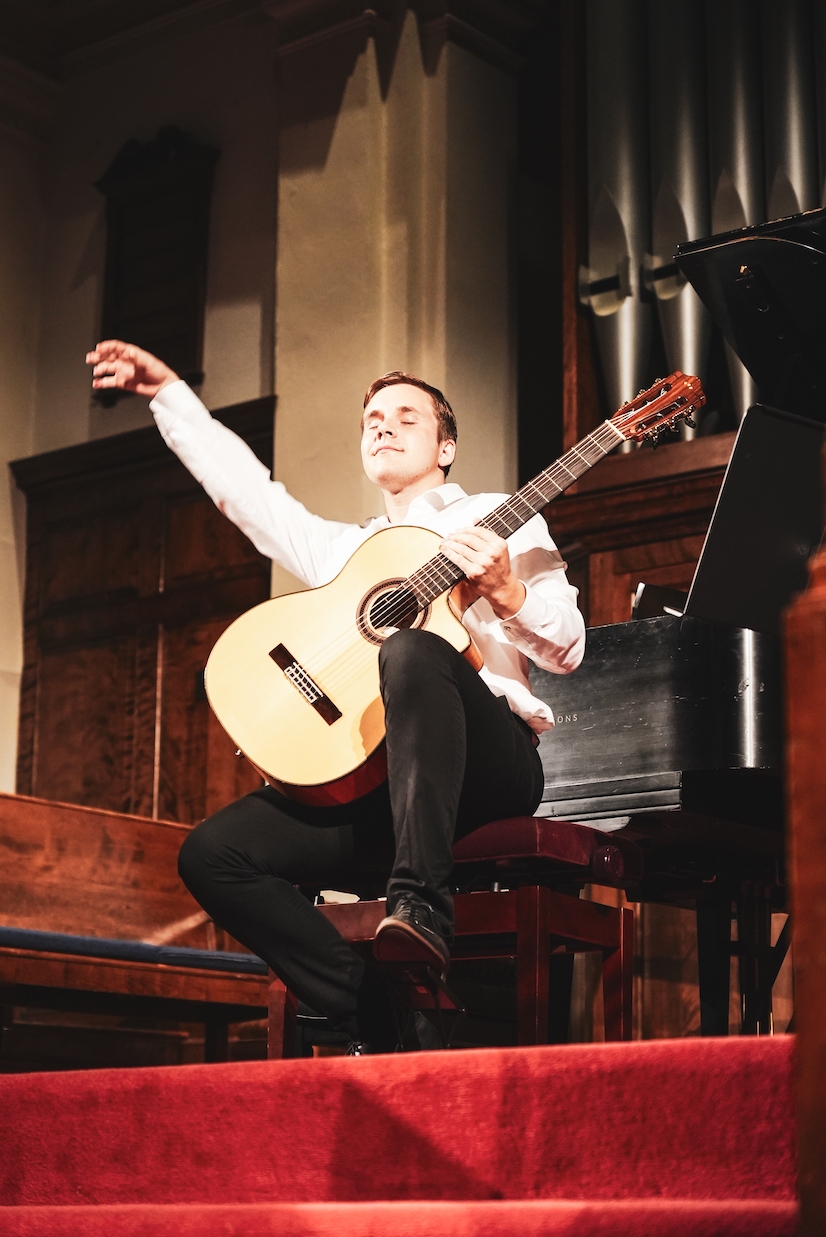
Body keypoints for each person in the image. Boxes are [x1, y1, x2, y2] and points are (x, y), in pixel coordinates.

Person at [86, 340, 586, 1052]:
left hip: (491, 763)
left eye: (406, 417)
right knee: (213, 853)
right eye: (372, 418)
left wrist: (507, 591)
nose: (382, 426)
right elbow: (248, 493)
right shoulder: (351, 554)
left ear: (446, 447)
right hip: (382, 785)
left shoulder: (500, 517)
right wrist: (168, 391)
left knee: (416, 647)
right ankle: (371, 1009)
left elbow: (569, 647)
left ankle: (422, 911)